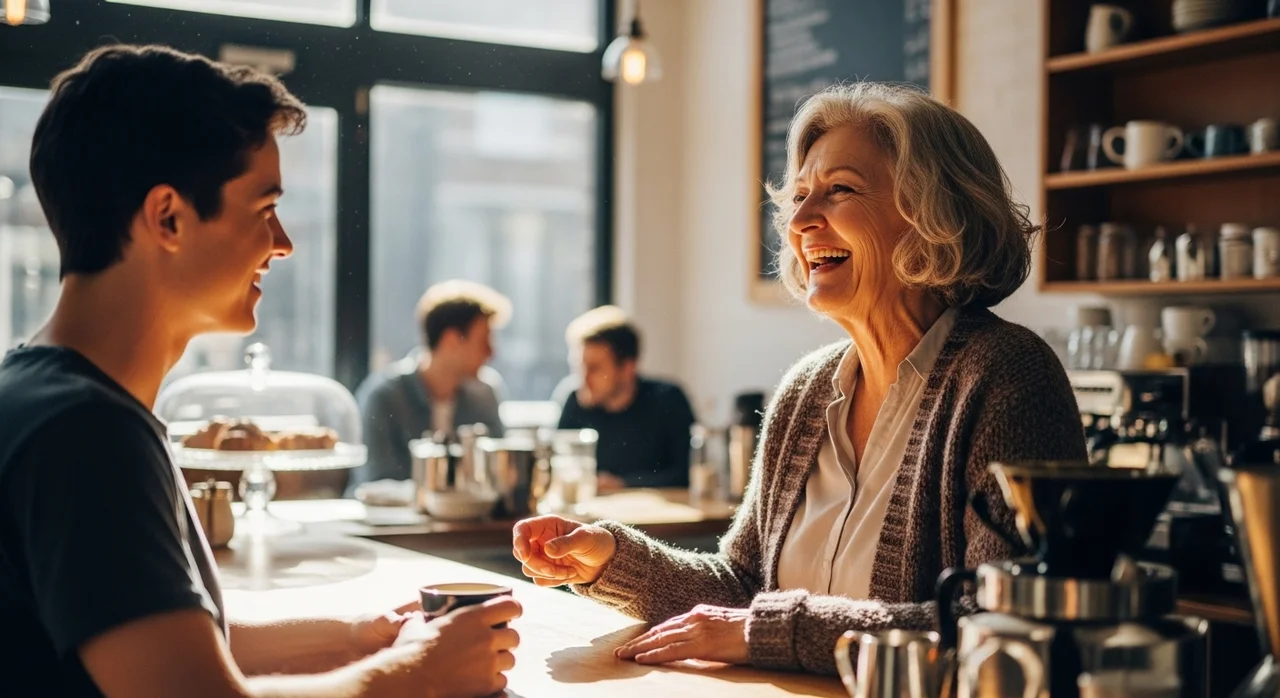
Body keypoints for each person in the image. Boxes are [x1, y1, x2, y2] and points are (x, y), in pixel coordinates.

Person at [514, 82, 1086, 675]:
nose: (801, 222)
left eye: (839, 191)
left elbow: (1003, 628)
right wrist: (611, 557)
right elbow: (741, 587)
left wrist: (773, 631)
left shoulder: (1007, 378)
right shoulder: (806, 390)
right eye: (801, 196)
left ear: (932, 215)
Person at [0, 44, 519, 697]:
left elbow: (167, 637)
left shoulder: (44, 394)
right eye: (262, 208)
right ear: (168, 217)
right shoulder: (86, 431)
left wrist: (356, 634)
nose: (283, 243)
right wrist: (419, 672)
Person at [347, 281, 509, 493]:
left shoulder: (485, 394)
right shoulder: (384, 396)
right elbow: (377, 481)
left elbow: (497, 474)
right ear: (451, 340)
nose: (491, 353)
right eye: (484, 341)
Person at [552, 306, 696, 491]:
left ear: (627, 369)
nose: (583, 378)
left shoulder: (668, 400)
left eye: (595, 368)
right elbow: (556, 468)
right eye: (579, 367)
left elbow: (687, 474)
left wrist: (624, 484)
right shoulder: (573, 400)